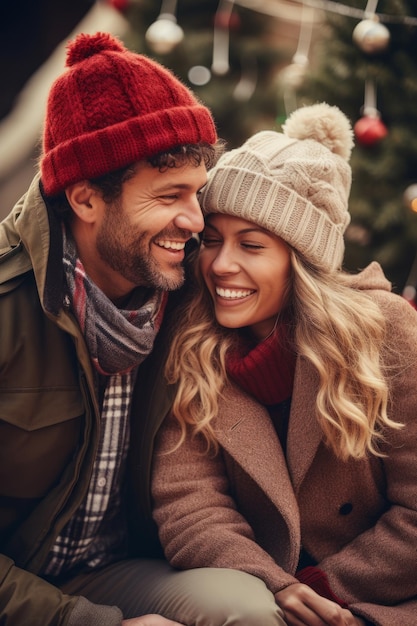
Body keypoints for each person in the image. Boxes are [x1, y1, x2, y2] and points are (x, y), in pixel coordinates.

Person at [0, 30, 273, 626]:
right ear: (86, 199)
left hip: (116, 567)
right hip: (18, 587)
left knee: (245, 611)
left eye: (196, 193)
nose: (195, 221)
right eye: (169, 195)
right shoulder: (8, 307)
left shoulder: (188, 290)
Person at [152, 102, 417, 626]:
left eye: (251, 245)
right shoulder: (192, 344)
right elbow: (191, 508)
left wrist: (326, 587)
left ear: (301, 261)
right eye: (211, 240)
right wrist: (275, 587)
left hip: (385, 598)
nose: (221, 264)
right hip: (262, 598)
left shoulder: (381, 331)